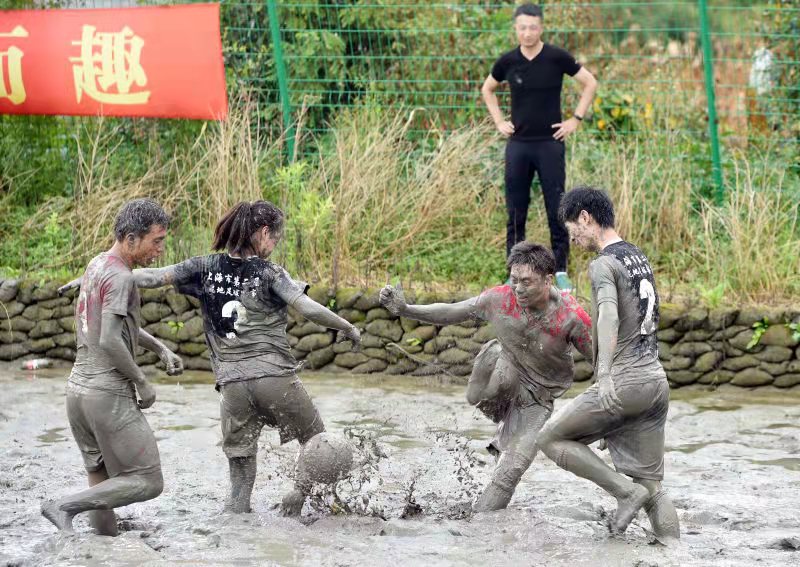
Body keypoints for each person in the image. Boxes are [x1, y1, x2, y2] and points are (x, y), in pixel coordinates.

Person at [60, 200, 361, 516]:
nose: (275, 245)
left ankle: (237, 523)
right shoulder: (270, 272)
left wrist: (92, 280)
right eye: (276, 238)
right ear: (263, 233)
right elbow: (307, 307)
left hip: (232, 389)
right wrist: (347, 326)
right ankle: (298, 497)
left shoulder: (203, 267)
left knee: (240, 476)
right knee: (319, 442)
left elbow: (146, 276)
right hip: (275, 379)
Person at [380, 242, 592, 512]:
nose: (518, 288)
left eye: (526, 282)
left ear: (549, 280)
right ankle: (482, 381)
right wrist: (407, 309)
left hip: (537, 400)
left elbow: (603, 365)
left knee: (513, 468)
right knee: (498, 372)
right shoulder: (499, 298)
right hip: (504, 373)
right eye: (514, 280)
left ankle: (480, 525)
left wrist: (609, 420)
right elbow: (452, 311)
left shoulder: (572, 317)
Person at [536, 186, 680, 543]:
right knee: (653, 486)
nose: (574, 238)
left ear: (585, 217)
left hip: (625, 382)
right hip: (655, 383)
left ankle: (624, 493)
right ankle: (674, 553)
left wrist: (603, 377)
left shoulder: (602, 263)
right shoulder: (637, 256)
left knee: (550, 438)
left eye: (573, 230)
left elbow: (609, 317)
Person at [42, 198, 184, 535]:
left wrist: (159, 346)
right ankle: (62, 506)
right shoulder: (122, 278)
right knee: (149, 481)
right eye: (157, 241)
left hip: (77, 393)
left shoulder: (96, 265)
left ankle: (103, 547)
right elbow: (109, 339)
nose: (160, 250)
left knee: (100, 478)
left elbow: (115, 326)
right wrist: (142, 381)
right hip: (107, 394)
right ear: (131, 239)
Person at [481, 3, 598, 291]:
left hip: (550, 144)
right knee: (516, 210)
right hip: (518, 145)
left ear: (541, 28)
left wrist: (575, 120)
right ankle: (515, 270)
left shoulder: (557, 57)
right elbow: (487, 89)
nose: (528, 32)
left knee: (557, 209)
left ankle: (560, 270)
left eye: (533, 27)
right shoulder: (508, 61)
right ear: (516, 28)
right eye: (522, 27)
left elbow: (590, 83)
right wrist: (499, 121)